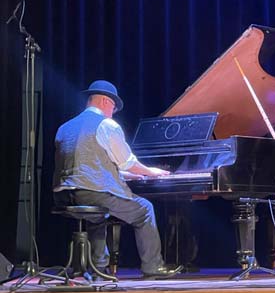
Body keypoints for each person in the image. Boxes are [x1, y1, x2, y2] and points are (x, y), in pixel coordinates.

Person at [53, 80, 182, 278]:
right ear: (106, 101)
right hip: (91, 192)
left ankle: (99, 268)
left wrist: (127, 175)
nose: (113, 113)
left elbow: (86, 164)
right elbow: (127, 162)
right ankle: (152, 267)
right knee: (145, 210)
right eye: (113, 108)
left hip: (63, 195)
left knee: (98, 215)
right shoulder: (106, 124)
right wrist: (151, 171)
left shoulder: (65, 127)